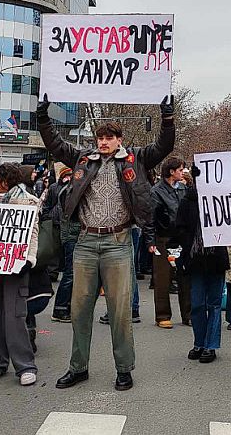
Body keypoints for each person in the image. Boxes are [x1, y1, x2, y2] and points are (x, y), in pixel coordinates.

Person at [36, 94, 175, 392]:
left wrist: (167, 118)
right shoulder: (85, 160)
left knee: (120, 310)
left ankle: (124, 369)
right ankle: (78, 367)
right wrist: (43, 118)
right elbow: (56, 145)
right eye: (100, 137)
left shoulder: (135, 158)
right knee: (79, 308)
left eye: (109, 138)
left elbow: (164, 146)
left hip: (119, 240)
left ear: (119, 140)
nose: (103, 142)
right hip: (86, 240)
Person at [0, 163, 41, 386]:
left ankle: (25, 365)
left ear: (7, 180)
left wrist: (29, 259)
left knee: (15, 317)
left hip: (16, 267)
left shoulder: (28, 202)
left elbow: (33, 234)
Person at [174, 166, 228, 363]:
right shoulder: (187, 201)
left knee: (214, 304)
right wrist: (189, 247)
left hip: (216, 258)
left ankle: (210, 345)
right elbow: (179, 229)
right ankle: (199, 342)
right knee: (197, 304)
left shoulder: (221, 200)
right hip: (195, 259)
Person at [148, 157, 190, 329]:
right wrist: (150, 240)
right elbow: (151, 218)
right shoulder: (156, 191)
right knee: (162, 278)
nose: (183, 172)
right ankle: (162, 315)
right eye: (180, 170)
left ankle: (188, 314)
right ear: (171, 171)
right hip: (163, 237)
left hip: (182, 237)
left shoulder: (183, 189)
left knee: (185, 277)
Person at [51, 167, 79, 323]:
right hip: (71, 236)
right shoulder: (68, 192)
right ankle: (60, 308)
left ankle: (67, 306)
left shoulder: (70, 190)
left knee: (73, 274)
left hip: (73, 235)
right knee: (70, 273)